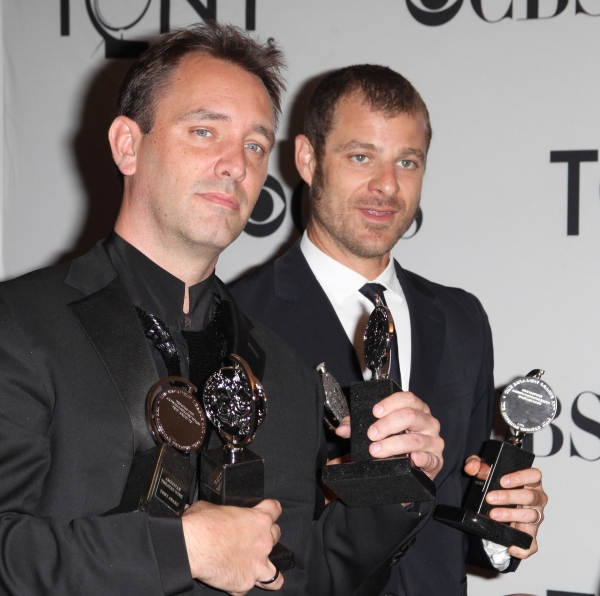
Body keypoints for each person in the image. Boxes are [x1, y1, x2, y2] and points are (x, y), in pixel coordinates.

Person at [0, 28, 445, 596]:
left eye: (256, 145)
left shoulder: (282, 369)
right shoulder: (20, 325)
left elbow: (309, 577)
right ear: (127, 145)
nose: (235, 163)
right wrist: (180, 551)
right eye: (204, 131)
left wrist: (394, 484)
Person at [230, 65, 548, 596]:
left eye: (407, 161)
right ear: (308, 159)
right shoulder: (239, 316)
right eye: (361, 157)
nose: (387, 186)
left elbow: (453, 517)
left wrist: (501, 525)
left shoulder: (462, 318)